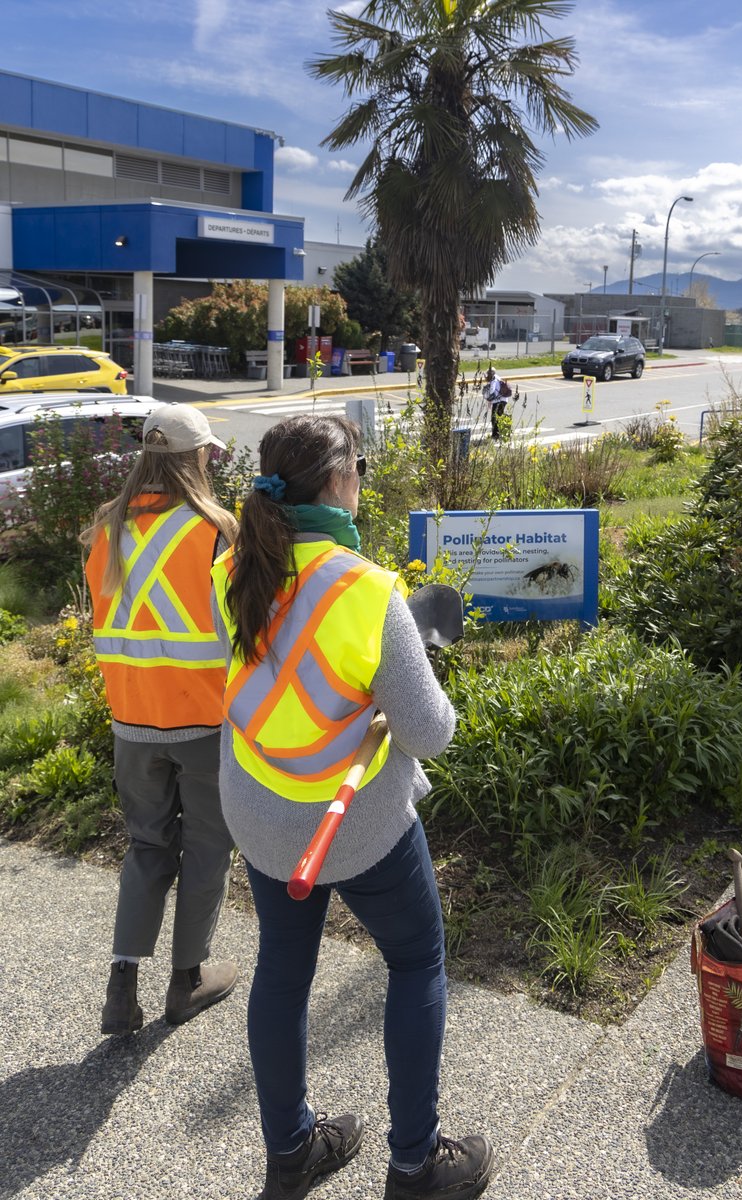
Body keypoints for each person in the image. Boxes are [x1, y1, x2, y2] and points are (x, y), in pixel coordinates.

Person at [211, 414, 493, 1200]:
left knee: (283, 969)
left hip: (261, 812)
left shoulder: (230, 569)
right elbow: (430, 733)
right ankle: (413, 1164)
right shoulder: (367, 591)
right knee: (415, 962)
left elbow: (248, 675)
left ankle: (292, 1150)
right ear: (338, 483)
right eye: (359, 468)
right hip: (352, 822)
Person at [82, 403, 239, 1035]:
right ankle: (186, 980)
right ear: (197, 458)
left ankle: (121, 987)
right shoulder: (216, 528)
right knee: (206, 847)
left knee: (148, 846)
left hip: (131, 721)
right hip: (203, 721)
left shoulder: (104, 527)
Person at [481, 366, 509, 440]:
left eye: (487, 375)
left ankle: (495, 435)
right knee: (498, 416)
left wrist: (488, 398)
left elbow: (493, 393)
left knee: (494, 418)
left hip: (499, 401)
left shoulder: (494, 380)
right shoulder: (497, 377)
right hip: (503, 400)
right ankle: (500, 433)